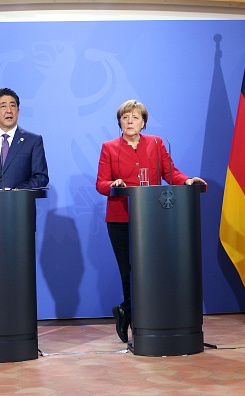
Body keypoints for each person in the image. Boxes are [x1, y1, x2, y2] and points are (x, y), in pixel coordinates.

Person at [96, 99, 207, 343]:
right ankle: (130, 311)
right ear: (119, 122)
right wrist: (113, 184)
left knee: (151, 271)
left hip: (153, 220)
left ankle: (139, 314)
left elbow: (171, 173)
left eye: (135, 118)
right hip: (121, 219)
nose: (129, 122)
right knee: (129, 271)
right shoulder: (109, 147)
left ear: (143, 122)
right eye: (125, 118)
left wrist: (187, 181)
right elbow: (100, 183)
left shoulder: (157, 144)